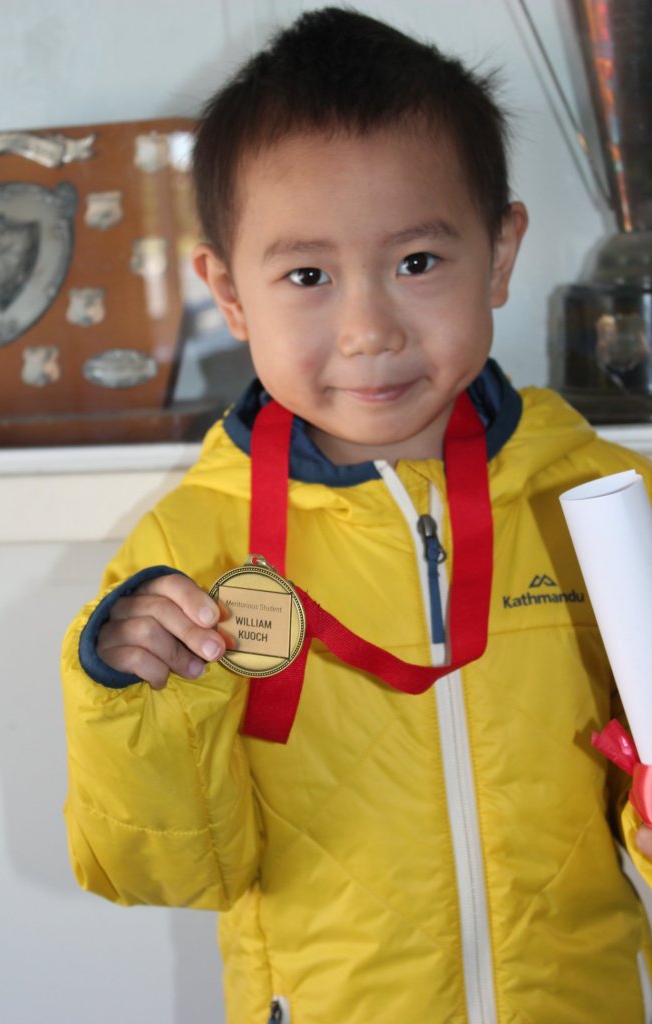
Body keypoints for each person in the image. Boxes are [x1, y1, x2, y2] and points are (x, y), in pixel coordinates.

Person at [61, 8, 652, 1022]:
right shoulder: (186, 557)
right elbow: (164, 870)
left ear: (498, 253)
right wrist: (133, 697)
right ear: (228, 294)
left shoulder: (598, 502)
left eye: (416, 262)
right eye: (307, 276)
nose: (368, 330)